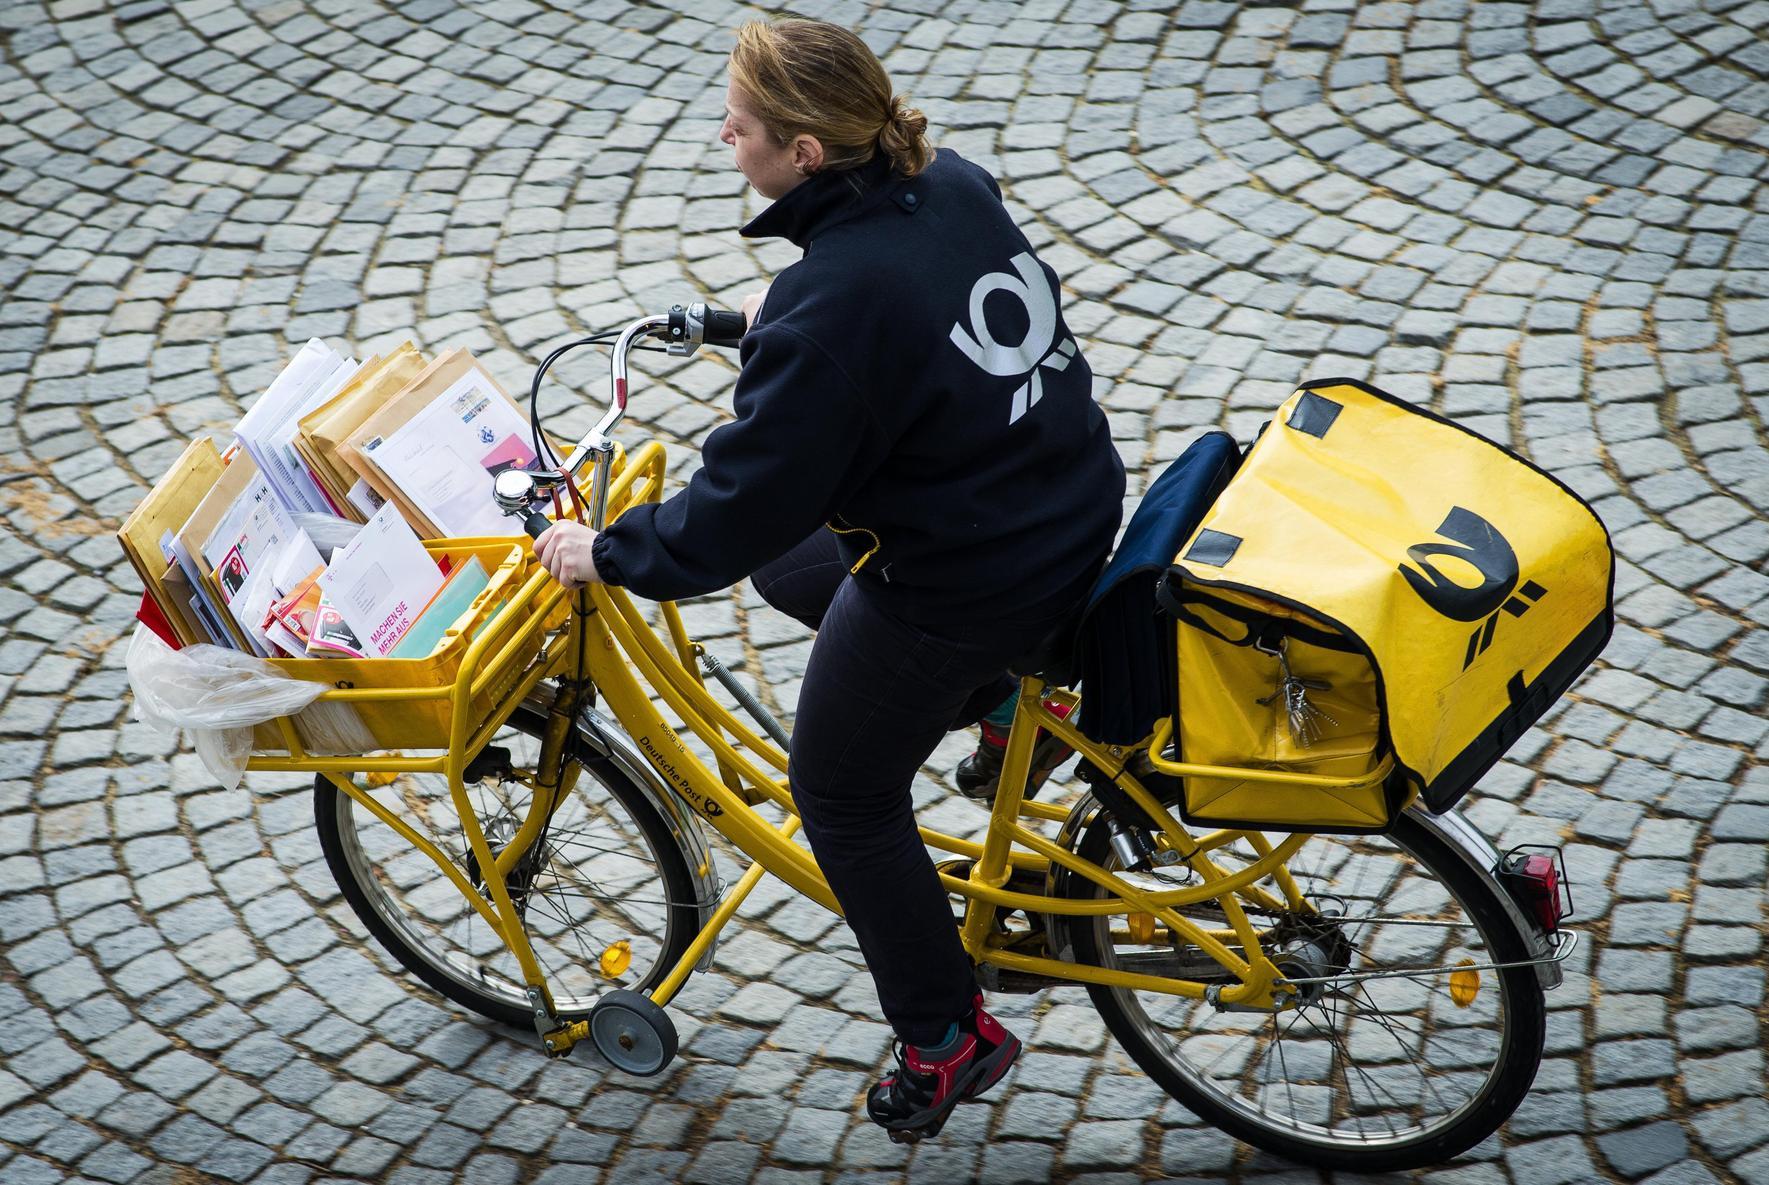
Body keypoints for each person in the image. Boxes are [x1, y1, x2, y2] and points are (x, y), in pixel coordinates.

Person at [534, 17, 1125, 1141]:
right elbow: (910, 314)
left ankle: (946, 1035)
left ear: (805, 153)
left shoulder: (833, 307)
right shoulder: (944, 184)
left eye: (741, 125)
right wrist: (780, 313)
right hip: (1061, 501)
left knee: (843, 797)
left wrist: (607, 550)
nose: (724, 136)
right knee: (794, 564)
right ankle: (1009, 705)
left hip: (968, 578)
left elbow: (736, 504)